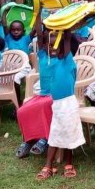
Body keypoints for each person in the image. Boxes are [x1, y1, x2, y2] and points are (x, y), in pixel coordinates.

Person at [36, 28, 85, 180]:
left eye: (56, 46)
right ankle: (49, 165)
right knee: (56, 133)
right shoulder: (47, 58)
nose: (53, 49)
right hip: (56, 104)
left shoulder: (67, 60)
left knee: (68, 133)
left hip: (68, 104)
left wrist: (67, 28)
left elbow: (68, 40)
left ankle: (65, 164)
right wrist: (38, 15)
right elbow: (40, 37)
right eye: (50, 46)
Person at [15, 14, 52, 159]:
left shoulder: (63, 56)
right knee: (23, 111)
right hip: (42, 94)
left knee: (45, 106)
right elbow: (40, 33)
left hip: (56, 96)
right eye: (47, 41)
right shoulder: (43, 54)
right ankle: (29, 140)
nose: (50, 44)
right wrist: (38, 14)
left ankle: (46, 138)